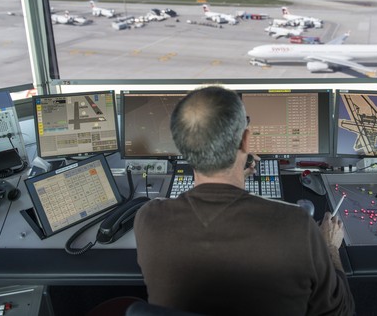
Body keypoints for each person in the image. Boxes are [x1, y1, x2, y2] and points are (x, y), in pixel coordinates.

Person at [134, 85, 355, 315]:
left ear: (180, 146)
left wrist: (235, 179)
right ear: (246, 140)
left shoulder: (149, 219)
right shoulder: (297, 225)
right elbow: (342, 311)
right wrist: (329, 248)